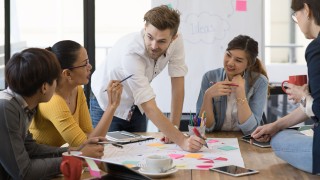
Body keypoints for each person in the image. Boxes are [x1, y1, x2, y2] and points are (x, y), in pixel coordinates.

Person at [90, 5, 205, 152]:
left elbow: (177, 84)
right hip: (107, 102)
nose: (154, 45)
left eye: (162, 41)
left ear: (173, 37)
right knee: (105, 155)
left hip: (136, 106)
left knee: (139, 153)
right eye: (150, 37)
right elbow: (149, 106)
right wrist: (182, 140)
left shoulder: (177, 41)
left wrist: (173, 128)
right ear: (145, 28)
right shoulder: (132, 53)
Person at [0, 48, 105, 179]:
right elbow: (23, 172)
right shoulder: (6, 108)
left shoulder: (23, 105)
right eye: (55, 80)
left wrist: (72, 151)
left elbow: (30, 148)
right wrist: (74, 158)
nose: (57, 85)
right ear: (44, 87)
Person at [251, 0, 320, 175]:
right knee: (281, 131)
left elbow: (317, 108)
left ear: (306, 10)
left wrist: (303, 97)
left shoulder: (316, 49)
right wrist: (275, 125)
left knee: (280, 139)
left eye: (295, 15)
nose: (296, 21)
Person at [29, 40, 123, 147]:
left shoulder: (77, 89)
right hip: (41, 159)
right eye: (85, 64)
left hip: (58, 156)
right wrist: (111, 106)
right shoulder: (53, 101)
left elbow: (90, 136)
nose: (90, 67)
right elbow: (85, 146)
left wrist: (112, 106)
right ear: (67, 73)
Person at [196, 35, 269, 135]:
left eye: (238, 60)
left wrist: (240, 93)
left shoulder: (260, 82)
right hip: (216, 141)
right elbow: (203, 127)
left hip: (246, 143)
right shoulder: (209, 77)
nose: (230, 63)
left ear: (249, 64)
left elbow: (251, 130)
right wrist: (207, 96)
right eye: (228, 55)